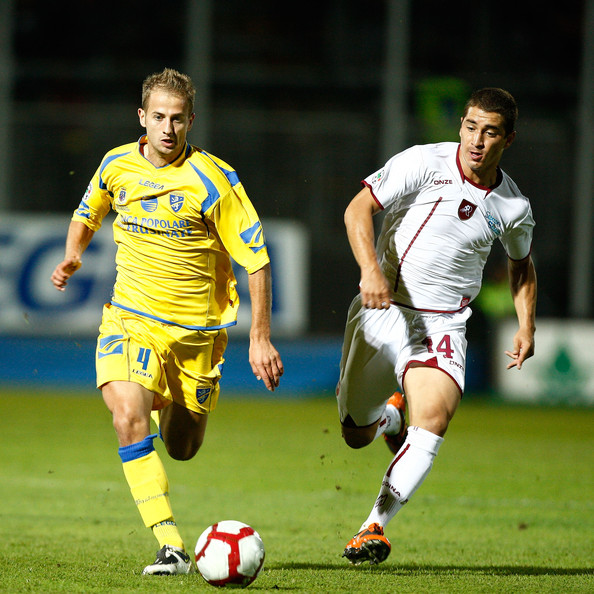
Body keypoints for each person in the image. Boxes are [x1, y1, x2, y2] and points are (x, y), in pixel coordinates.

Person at [50, 68, 284, 575]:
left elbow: (258, 260)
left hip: (198, 335)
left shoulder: (214, 180)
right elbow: (88, 211)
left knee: (182, 447)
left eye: (178, 119)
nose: (168, 128)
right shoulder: (116, 165)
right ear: (142, 117)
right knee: (126, 414)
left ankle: (162, 397)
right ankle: (171, 545)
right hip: (130, 319)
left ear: (191, 121)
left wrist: (260, 337)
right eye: (158, 117)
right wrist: (72, 253)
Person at [337, 88, 537, 565]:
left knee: (434, 418)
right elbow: (357, 209)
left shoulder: (513, 207)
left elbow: (522, 265)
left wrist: (526, 323)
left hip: (442, 325)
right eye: (470, 127)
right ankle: (388, 417)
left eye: (490, 132)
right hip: (380, 309)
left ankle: (374, 526)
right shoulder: (424, 162)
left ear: (508, 140)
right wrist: (370, 271)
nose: (476, 141)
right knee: (355, 433)